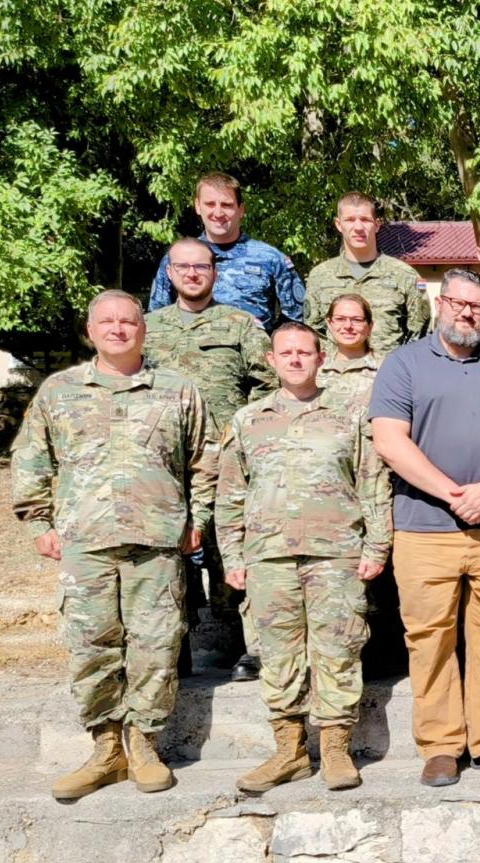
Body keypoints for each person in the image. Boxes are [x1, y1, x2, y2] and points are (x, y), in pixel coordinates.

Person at [12, 290, 213, 801]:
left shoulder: (177, 389)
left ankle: (143, 744)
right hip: (86, 541)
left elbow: (207, 460)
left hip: (157, 539)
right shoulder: (59, 391)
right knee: (91, 646)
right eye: (108, 321)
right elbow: (32, 456)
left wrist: (200, 520)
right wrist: (39, 522)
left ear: (143, 330)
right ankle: (105, 749)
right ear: (90, 329)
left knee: (156, 643)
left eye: (129, 321)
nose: (119, 329)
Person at [369, 269, 480, 786]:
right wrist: (453, 494)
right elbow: (389, 440)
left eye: (477, 306)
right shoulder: (403, 365)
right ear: (439, 304)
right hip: (425, 530)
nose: (467, 313)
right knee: (431, 639)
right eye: (457, 303)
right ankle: (442, 746)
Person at [215, 322, 392, 793]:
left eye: (304, 352)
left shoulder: (349, 416)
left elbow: (372, 482)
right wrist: (232, 553)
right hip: (267, 556)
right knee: (278, 656)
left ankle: (335, 750)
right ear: (271, 361)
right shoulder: (248, 419)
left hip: (336, 554)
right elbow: (231, 491)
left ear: (320, 358)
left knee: (338, 650)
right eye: (285, 352)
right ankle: (289, 750)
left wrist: (377, 545)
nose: (295, 359)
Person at [144, 237, 276, 683]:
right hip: (162, 463)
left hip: (224, 460)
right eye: (183, 267)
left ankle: (247, 649)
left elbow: (268, 382)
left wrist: (239, 426)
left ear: (214, 273)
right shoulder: (149, 328)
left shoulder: (240, 325)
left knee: (229, 552)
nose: (193, 274)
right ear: (170, 273)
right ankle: (174, 649)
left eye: (202, 267)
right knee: (166, 555)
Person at [150, 171, 305, 327]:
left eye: (227, 205)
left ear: (241, 209)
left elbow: (297, 319)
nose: (218, 213)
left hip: (254, 348)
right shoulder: (178, 257)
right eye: (210, 204)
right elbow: (157, 318)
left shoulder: (270, 258)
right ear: (198, 206)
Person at [306, 192, 430, 354]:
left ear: (377, 225)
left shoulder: (404, 276)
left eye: (365, 220)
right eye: (350, 220)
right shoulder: (320, 276)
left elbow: (419, 334)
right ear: (338, 224)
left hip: (387, 375)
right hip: (336, 376)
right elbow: (313, 332)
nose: (358, 228)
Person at [316, 294, 386, 407]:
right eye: (340, 319)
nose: (348, 326)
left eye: (357, 320)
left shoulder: (387, 368)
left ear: (370, 326)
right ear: (329, 324)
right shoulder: (316, 367)